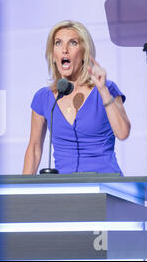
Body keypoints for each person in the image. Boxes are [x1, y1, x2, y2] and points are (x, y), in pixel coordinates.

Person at [22, 20, 130, 175]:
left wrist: (103, 90)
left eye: (72, 43)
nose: (64, 50)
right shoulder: (43, 98)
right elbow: (34, 148)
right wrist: (23, 194)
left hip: (106, 185)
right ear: (53, 55)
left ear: (84, 53)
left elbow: (123, 132)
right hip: (64, 190)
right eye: (58, 43)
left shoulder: (107, 88)